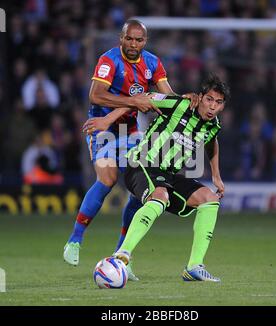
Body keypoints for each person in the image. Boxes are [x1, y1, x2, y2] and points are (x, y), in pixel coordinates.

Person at [63, 19, 198, 281]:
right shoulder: (108, 60)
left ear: (144, 41)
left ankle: (120, 257)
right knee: (108, 179)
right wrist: (134, 101)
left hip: (132, 130)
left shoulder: (152, 63)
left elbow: (166, 94)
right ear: (121, 38)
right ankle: (75, 240)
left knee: (140, 191)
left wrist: (186, 99)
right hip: (103, 127)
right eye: (130, 39)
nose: (134, 44)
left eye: (139, 40)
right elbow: (96, 95)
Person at [91, 74, 229, 282]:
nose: (212, 106)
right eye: (209, 99)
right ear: (200, 97)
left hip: (169, 174)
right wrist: (107, 120)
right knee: (160, 195)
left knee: (210, 200)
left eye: (218, 103)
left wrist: (216, 176)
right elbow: (141, 99)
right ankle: (121, 256)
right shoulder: (180, 104)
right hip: (141, 164)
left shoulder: (213, 125)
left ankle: (194, 267)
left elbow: (211, 142)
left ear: (222, 107)